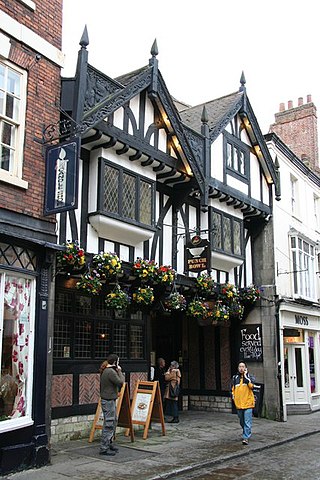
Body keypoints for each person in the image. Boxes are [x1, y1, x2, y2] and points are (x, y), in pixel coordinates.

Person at [99, 354, 125, 456]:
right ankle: (104, 448)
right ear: (115, 362)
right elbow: (121, 382)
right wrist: (119, 371)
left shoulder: (107, 370)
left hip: (109, 399)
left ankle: (109, 443)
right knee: (109, 423)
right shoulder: (110, 372)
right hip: (108, 400)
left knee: (114, 420)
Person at [231, 361, 255, 445]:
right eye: (240, 366)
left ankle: (246, 437)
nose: (241, 368)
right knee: (242, 421)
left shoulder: (249, 377)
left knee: (247, 421)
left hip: (248, 403)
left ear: (245, 368)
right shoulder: (235, 378)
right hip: (239, 404)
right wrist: (233, 397)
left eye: (243, 366)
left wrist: (245, 376)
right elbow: (232, 389)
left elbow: (252, 386)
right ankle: (246, 431)